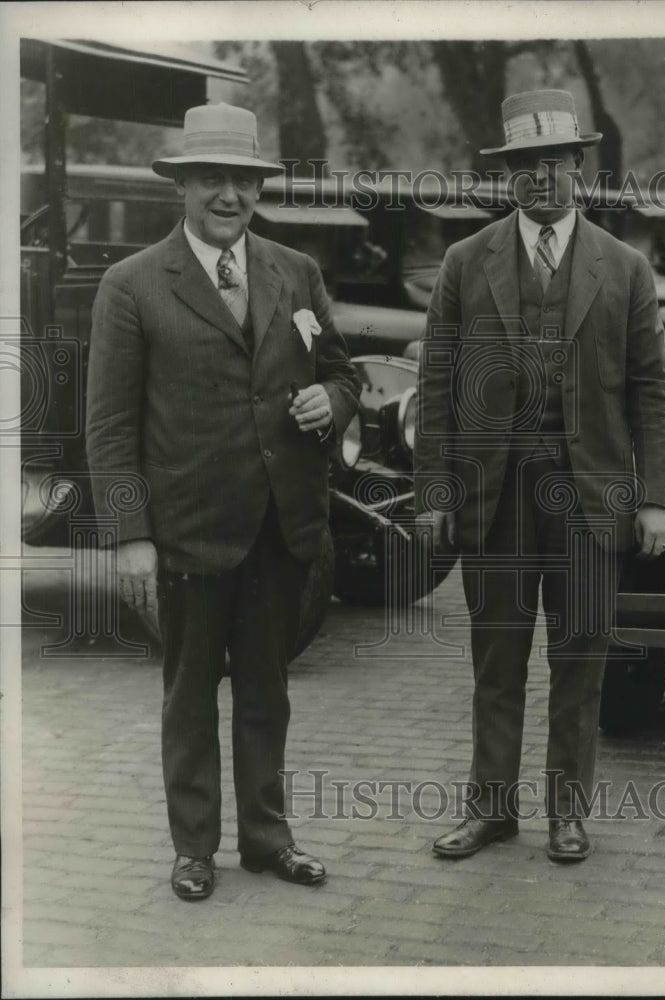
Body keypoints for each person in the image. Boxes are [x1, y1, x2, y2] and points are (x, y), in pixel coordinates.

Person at [86, 103, 361, 899]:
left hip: (281, 524)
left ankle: (268, 841)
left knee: (268, 691)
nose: (229, 196)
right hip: (186, 532)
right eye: (212, 180)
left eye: (242, 181)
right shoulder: (131, 285)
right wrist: (129, 533)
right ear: (182, 187)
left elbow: (343, 373)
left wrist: (330, 404)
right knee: (190, 692)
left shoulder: (294, 270)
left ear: (256, 187)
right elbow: (108, 426)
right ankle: (194, 848)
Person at [415, 90, 665, 863]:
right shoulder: (467, 263)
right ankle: (490, 810)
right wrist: (433, 492)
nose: (541, 179)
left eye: (554, 164)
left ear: (578, 169)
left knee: (579, 659)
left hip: (592, 500)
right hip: (494, 500)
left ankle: (569, 814)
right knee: (496, 662)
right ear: (510, 175)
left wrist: (655, 497)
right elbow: (436, 381)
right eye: (525, 166)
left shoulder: (625, 270)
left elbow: (652, 392)